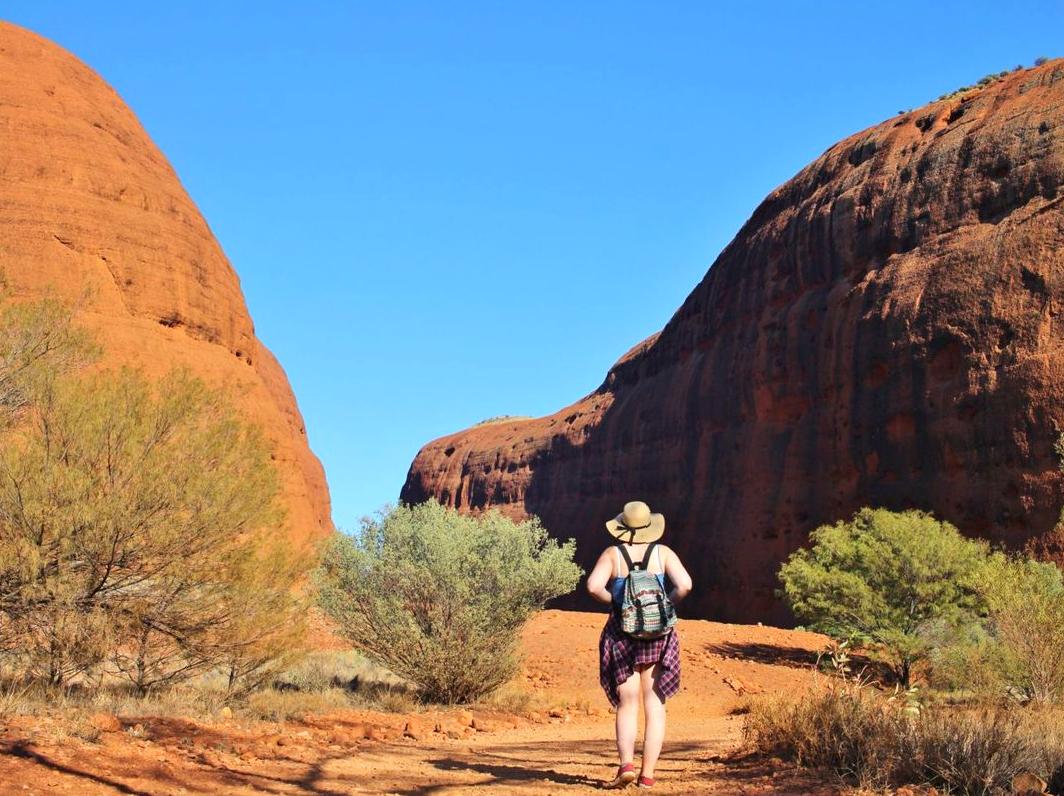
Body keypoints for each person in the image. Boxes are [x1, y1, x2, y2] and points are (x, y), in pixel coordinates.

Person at [586, 500, 693, 789]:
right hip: (658, 634)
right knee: (654, 704)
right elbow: (685, 585)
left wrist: (617, 604)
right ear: (650, 526)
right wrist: (666, 606)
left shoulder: (613, 554)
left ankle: (626, 766)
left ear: (622, 527)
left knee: (627, 702)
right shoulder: (663, 553)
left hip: (622, 634)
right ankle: (647, 776)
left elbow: (593, 586)